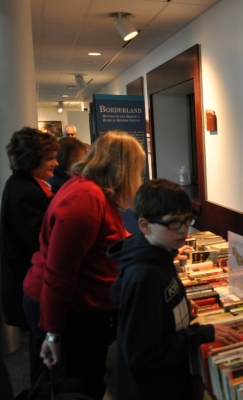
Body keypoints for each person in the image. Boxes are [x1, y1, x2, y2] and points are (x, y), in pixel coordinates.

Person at [22, 130, 146, 400]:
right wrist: (53, 334)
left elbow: (110, 238)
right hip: (70, 311)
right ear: (121, 168)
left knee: (84, 380)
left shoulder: (92, 191)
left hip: (80, 308)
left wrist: (148, 246)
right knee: (75, 386)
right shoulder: (84, 199)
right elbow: (60, 273)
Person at [108, 179, 241, 399]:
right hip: (151, 388)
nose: (183, 230)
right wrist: (200, 334)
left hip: (168, 377)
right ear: (144, 225)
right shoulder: (144, 276)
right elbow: (141, 354)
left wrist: (179, 303)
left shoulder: (161, 252)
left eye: (187, 221)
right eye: (173, 223)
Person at [0, 127, 59, 383]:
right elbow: (42, 241)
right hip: (31, 285)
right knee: (42, 354)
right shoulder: (25, 192)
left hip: (29, 283)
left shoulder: (26, 185)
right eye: (49, 158)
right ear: (31, 159)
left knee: (41, 350)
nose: (56, 163)